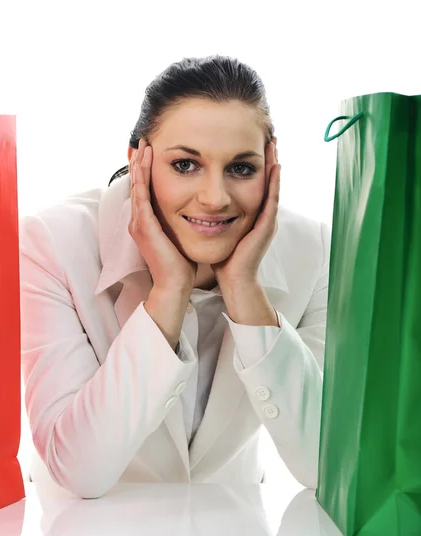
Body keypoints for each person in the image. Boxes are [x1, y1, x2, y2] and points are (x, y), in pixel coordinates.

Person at [19, 55, 331, 499]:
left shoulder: (313, 250)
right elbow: (79, 470)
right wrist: (168, 291)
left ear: (270, 167)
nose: (214, 198)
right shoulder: (54, 243)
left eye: (241, 168)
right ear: (138, 161)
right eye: (185, 164)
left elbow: (327, 464)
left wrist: (244, 288)